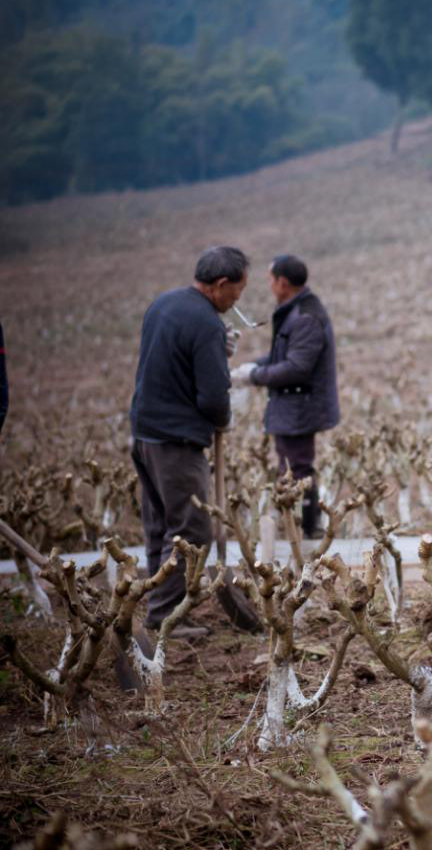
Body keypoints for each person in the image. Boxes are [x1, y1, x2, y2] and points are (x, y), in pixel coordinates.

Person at [130, 246, 249, 633]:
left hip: (145, 432)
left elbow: (172, 357)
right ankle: (164, 616)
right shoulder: (207, 323)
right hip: (177, 439)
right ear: (220, 284)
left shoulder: (163, 304)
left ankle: (160, 605)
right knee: (191, 529)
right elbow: (214, 397)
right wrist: (224, 418)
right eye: (237, 292)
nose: (237, 301)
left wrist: (216, 349)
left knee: (161, 524)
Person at [231, 254, 339, 538]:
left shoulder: (305, 317)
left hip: (301, 406)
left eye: (270, 279)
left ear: (283, 283)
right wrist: (256, 365)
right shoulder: (297, 311)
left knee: (298, 468)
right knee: (293, 466)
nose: (268, 285)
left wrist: (253, 376)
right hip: (294, 405)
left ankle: (307, 530)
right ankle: (299, 527)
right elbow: (284, 357)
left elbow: (297, 368)